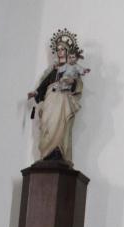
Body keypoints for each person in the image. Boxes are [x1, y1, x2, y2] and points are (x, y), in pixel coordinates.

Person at [27, 35, 86, 165]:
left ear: (67, 52)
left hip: (63, 99)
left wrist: (72, 82)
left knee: (60, 125)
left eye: (63, 49)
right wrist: (36, 93)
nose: (60, 52)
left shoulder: (72, 68)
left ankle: (58, 151)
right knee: (47, 123)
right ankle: (47, 152)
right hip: (50, 99)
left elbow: (78, 84)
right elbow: (44, 84)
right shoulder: (52, 69)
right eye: (58, 49)